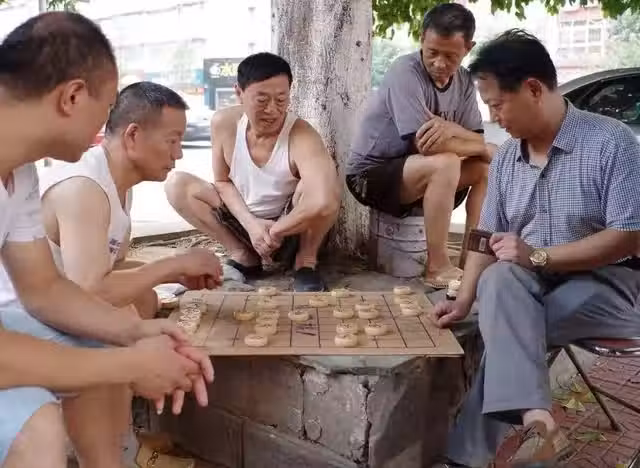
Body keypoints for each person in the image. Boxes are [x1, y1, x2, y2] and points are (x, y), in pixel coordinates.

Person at [0, 12, 214, 468]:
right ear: (73, 96)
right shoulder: (80, 183)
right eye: (108, 104)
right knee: (37, 433)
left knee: (102, 339)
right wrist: (132, 364)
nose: (108, 121)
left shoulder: (20, 170)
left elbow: (44, 288)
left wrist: (135, 332)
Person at [431, 30, 640, 468]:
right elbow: (486, 236)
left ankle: (469, 458)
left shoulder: (612, 142)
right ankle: (539, 423)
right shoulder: (508, 158)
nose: (493, 117)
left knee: (510, 328)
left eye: (497, 105)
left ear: (532, 89)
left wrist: (540, 256)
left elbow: (628, 235)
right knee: (498, 281)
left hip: (612, 286)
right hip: (533, 282)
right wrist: (464, 298)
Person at [346, 3, 495, 289]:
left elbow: (476, 140)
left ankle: (472, 262)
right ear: (421, 38)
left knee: (485, 169)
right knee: (447, 161)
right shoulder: (405, 71)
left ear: (468, 48)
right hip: (370, 176)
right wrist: (477, 144)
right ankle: (437, 267)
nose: (439, 63)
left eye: (450, 56)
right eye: (432, 52)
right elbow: (427, 146)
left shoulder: (465, 81)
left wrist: (454, 131)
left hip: (421, 176)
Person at [165, 52, 341, 292]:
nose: (272, 110)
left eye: (281, 99)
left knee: (324, 186)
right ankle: (243, 255)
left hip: (290, 228)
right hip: (243, 223)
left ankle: (306, 262)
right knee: (177, 184)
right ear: (239, 92)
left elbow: (323, 200)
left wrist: (275, 231)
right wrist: (252, 226)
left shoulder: (302, 135)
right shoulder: (224, 123)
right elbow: (222, 182)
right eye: (262, 100)